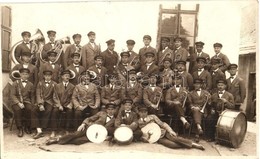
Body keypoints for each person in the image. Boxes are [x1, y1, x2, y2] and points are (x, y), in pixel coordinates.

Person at [136, 105, 205, 150]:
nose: (143, 114)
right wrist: (147, 139)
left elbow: (163, 124)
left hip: (163, 132)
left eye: (145, 112)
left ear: (147, 112)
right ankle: (187, 144)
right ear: (138, 113)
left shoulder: (152, 117)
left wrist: (170, 130)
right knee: (172, 145)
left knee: (175, 138)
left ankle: (194, 144)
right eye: (141, 112)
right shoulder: (138, 122)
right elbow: (142, 134)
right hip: (157, 138)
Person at [45, 103, 116, 145]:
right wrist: (83, 124)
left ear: (115, 110)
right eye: (109, 109)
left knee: (79, 141)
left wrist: (108, 137)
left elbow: (112, 130)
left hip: (96, 135)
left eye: (112, 109)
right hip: (89, 128)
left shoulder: (114, 120)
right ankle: (56, 140)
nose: (110, 111)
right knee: (76, 134)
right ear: (106, 110)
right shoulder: (101, 113)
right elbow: (89, 118)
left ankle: (62, 141)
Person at [31, 70, 56, 139]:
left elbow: (55, 95)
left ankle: (42, 129)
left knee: (48, 110)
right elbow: (38, 94)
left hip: (49, 101)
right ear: (44, 76)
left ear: (51, 76)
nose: (47, 77)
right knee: (33, 110)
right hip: (41, 101)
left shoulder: (54, 84)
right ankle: (38, 129)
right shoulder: (40, 83)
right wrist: (40, 104)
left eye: (49, 76)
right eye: (46, 76)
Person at [10, 68, 35, 137]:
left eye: (26, 74)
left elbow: (32, 96)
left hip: (26, 101)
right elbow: (12, 95)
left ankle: (27, 126)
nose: (24, 76)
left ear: (28, 75)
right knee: (18, 110)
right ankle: (20, 128)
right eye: (23, 74)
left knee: (29, 109)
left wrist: (32, 104)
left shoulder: (31, 84)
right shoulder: (15, 83)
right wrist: (18, 103)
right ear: (20, 74)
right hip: (16, 102)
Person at [51, 70, 75, 137]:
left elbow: (73, 97)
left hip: (67, 104)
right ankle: (54, 130)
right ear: (62, 77)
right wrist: (59, 105)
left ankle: (67, 130)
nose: (67, 77)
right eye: (65, 76)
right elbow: (55, 96)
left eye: (68, 76)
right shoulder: (57, 86)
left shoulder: (72, 86)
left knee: (70, 112)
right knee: (54, 111)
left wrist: (70, 104)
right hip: (59, 104)